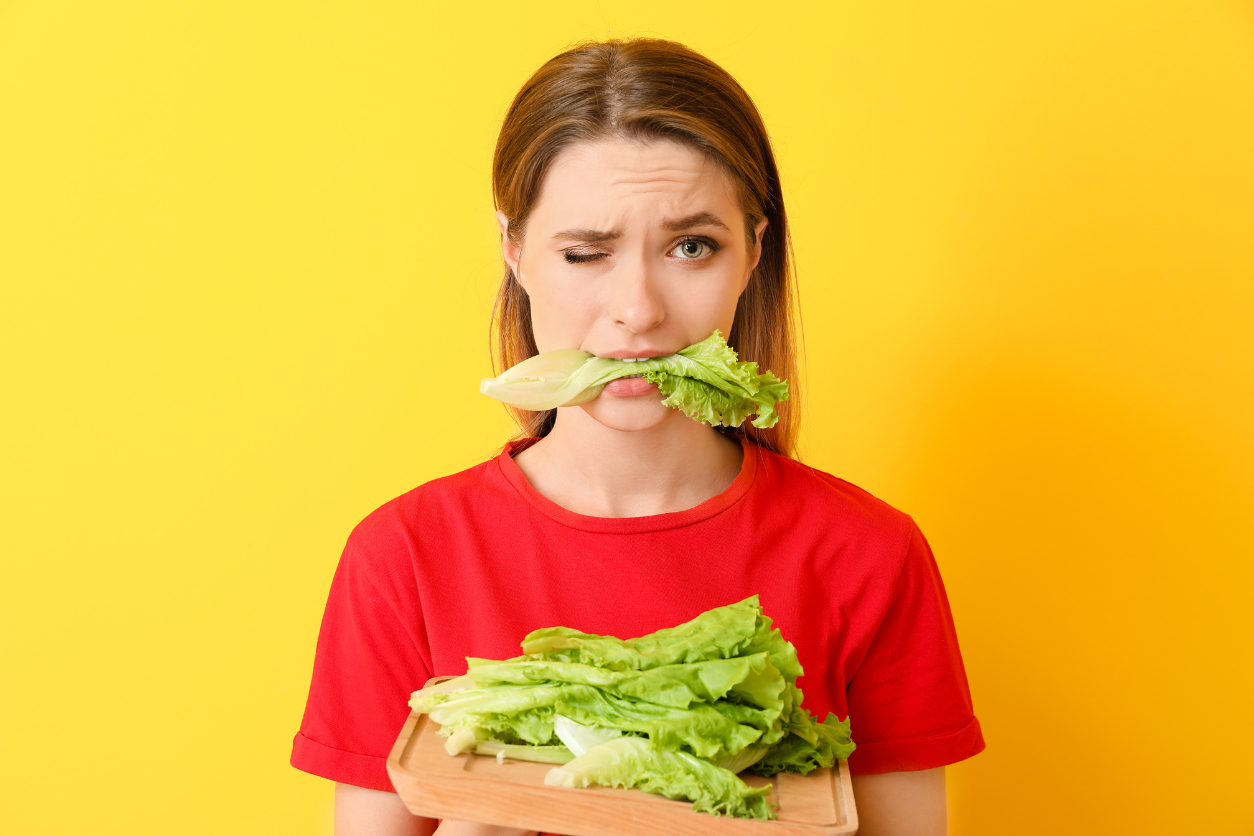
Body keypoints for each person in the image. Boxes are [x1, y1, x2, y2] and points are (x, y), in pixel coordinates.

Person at [292, 38, 984, 836]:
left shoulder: (868, 555)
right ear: (514, 252)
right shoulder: (404, 558)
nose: (639, 311)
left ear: (754, 250)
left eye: (692, 247)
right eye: (586, 252)